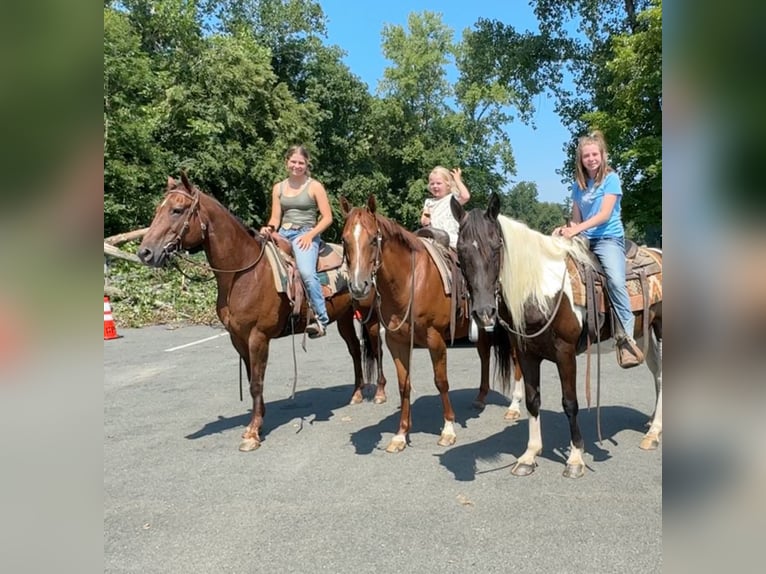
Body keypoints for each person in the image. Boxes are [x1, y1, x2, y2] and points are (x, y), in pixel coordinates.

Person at [553, 130, 645, 368]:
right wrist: (566, 230)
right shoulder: (579, 185)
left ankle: (626, 337)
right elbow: (575, 218)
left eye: (595, 154)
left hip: (608, 239)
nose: (591, 159)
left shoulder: (611, 179)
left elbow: (604, 215)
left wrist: (577, 229)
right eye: (586, 156)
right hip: (584, 239)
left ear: (603, 156)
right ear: (580, 160)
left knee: (615, 280)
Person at [260, 145, 332, 338]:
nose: (297, 166)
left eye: (301, 162)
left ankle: (321, 319)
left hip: (306, 233)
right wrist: (270, 229)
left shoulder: (314, 186)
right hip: (283, 233)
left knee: (307, 272)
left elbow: (327, 217)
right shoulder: (278, 188)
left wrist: (310, 236)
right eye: (293, 161)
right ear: (286, 162)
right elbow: (276, 217)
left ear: (306, 164)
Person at [419, 166, 471, 249]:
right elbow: (424, 222)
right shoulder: (429, 202)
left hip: (450, 238)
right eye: (432, 184)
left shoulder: (452, 199)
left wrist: (457, 180)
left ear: (448, 185)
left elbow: (465, 196)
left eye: (439, 183)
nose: (435, 186)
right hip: (433, 238)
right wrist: (427, 214)